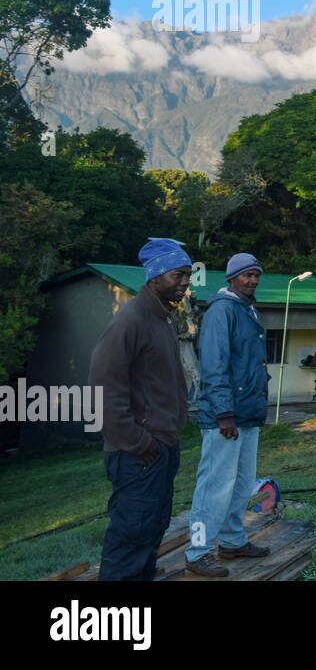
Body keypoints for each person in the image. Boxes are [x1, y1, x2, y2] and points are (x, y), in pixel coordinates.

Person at [88, 238, 192, 581]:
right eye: (178, 274)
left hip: (161, 447)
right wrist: (137, 441)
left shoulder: (161, 319)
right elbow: (103, 389)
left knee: (151, 530)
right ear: (156, 276)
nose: (185, 281)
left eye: (187, 274)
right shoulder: (130, 321)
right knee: (131, 536)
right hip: (138, 454)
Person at [186, 253, 272, 577]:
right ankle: (197, 552)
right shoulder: (222, 310)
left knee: (241, 483)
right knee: (213, 487)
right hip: (226, 416)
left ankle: (233, 541)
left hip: (248, 413)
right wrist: (224, 413)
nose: (252, 280)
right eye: (246, 275)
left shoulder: (246, 308)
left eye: (256, 275)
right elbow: (214, 364)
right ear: (231, 278)